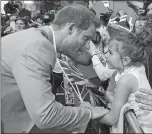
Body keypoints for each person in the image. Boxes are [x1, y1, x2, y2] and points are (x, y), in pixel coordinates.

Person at [1, 5, 109, 133]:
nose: (86, 46)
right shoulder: (38, 46)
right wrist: (89, 112)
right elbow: (45, 115)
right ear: (71, 28)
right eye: (86, 38)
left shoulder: (37, 38)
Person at [98, 16, 152, 133]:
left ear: (126, 60)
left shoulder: (127, 79)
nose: (106, 55)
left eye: (111, 53)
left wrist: (89, 112)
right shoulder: (137, 68)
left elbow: (112, 119)